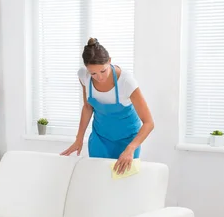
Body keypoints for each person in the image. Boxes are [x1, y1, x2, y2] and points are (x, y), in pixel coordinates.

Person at [61, 38, 154, 174]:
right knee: (100, 180)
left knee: (123, 182)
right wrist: (79, 138)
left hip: (127, 140)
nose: (99, 77)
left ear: (109, 61)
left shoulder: (126, 82)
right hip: (100, 138)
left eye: (103, 71)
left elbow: (149, 123)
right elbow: (88, 107)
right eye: (93, 73)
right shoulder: (84, 76)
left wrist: (131, 148)